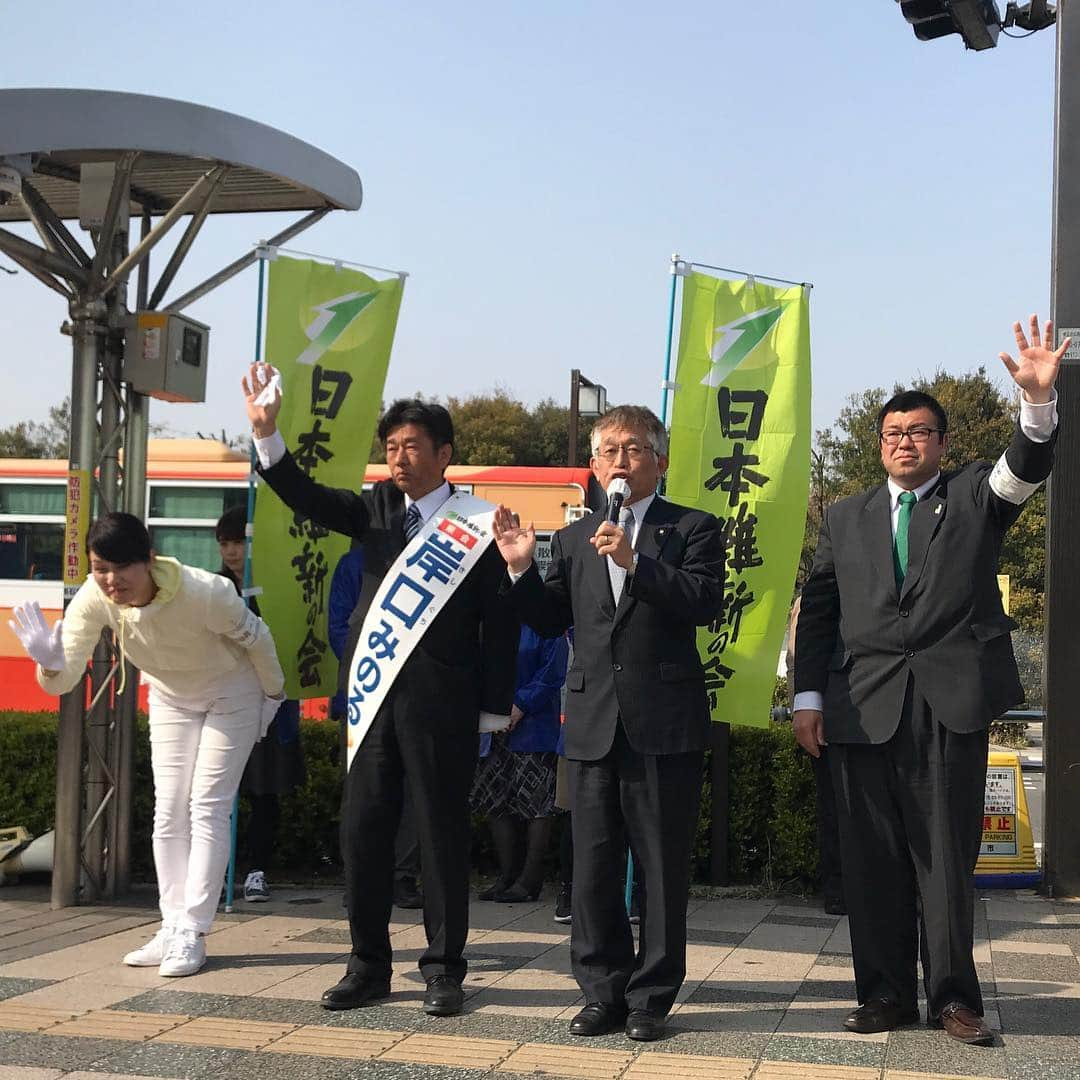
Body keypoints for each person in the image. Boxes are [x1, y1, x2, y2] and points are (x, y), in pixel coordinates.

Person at [793, 315, 1065, 1047]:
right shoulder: (844, 517)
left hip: (948, 704)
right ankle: (881, 994)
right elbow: (818, 609)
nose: (903, 442)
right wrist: (808, 697)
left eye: (917, 431)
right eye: (892, 433)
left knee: (945, 861)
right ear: (878, 444)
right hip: (859, 708)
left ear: (941, 442)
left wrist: (1037, 405)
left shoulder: (975, 496)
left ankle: (953, 998)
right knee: (871, 860)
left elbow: (1026, 467)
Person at [242, 373, 517, 1017]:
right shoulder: (373, 510)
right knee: (361, 833)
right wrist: (266, 433)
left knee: (441, 836)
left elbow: (499, 622)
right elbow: (302, 494)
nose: (398, 456)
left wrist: (494, 705)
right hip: (370, 702)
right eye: (391, 445)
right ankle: (367, 966)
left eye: (412, 444)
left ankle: (445, 970)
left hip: (442, 705)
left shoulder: (478, 524)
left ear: (445, 453)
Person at [492, 404, 724, 1042]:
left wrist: (635, 563)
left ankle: (652, 997)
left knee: (660, 867)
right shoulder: (572, 539)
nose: (620, 461)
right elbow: (546, 620)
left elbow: (704, 601)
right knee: (591, 868)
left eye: (633, 449)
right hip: (591, 724)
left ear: (660, 460)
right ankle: (602, 992)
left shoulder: (693, 528)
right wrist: (516, 566)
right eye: (609, 451)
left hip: (663, 724)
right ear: (593, 466)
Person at [8, 512, 283, 977]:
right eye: (100, 568)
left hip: (231, 694)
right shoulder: (96, 597)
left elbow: (258, 640)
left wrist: (272, 698)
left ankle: (193, 931)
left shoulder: (205, 592)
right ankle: (172, 923)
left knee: (206, 806)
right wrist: (50, 664)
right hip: (171, 696)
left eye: (121, 568)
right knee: (169, 809)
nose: (111, 580)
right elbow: (64, 677)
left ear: (149, 560)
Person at [215, 507, 306, 903]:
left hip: (268, 704)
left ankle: (256, 870)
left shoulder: (272, 585)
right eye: (225, 544)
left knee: (263, 793)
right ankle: (217, 872)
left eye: (239, 542)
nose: (232, 551)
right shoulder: (212, 588)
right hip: (224, 700)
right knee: (219, 793)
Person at [328, 543, 422, 910]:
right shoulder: (355, 563)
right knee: (361, 793)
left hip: (415, 695)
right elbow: (340, 628)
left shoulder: (428, 561)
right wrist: (375, 665)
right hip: (363, 691)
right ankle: (360, 876)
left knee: (414, 791)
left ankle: (402, 876)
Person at [473, 625, 568, 902]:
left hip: (533, 726)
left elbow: (553, 670)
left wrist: (520, 705)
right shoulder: (485, 616)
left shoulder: (543, 616)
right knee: (494, 799)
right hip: (490, 725)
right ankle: (507, 875)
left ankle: (529, 880)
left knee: (536, 804)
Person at [786, 595, 843, 916]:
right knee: (833, 809)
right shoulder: (811, 601)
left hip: (862, 711)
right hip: (825, 717)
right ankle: (837, 889)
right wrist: (803, 707)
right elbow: (797, 660)